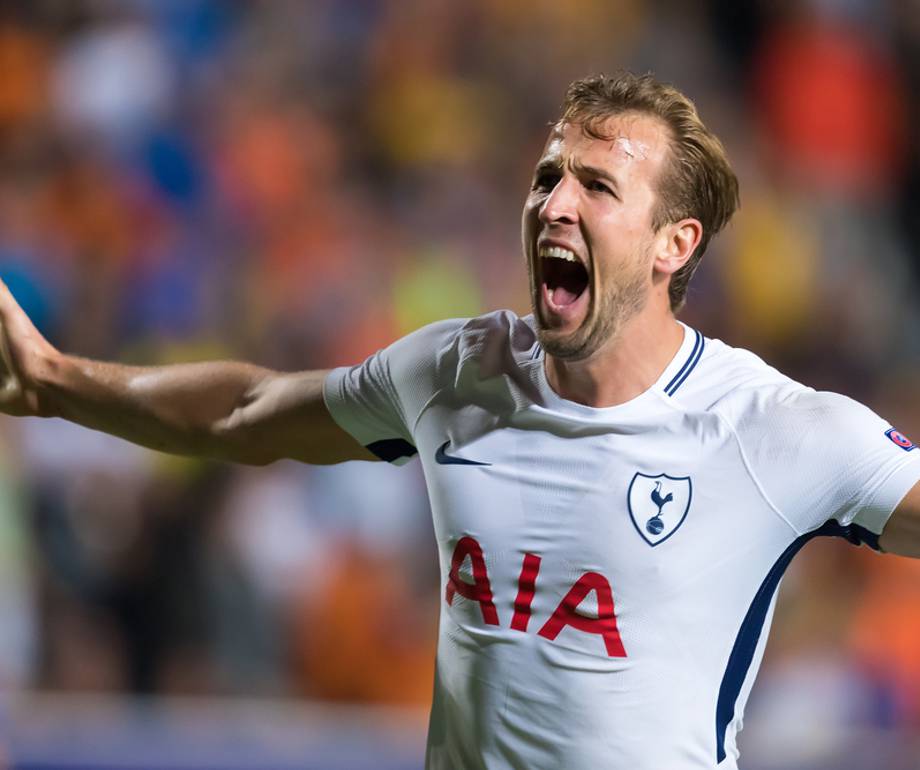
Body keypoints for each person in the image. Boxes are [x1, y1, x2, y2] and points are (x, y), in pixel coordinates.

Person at [1, 71, 919, 769]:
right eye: (549, 177)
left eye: (598, 188)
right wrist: (54, 382)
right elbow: (246, 411)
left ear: (673, 244)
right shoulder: (460, 373)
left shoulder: (769, 430)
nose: (555, 204)